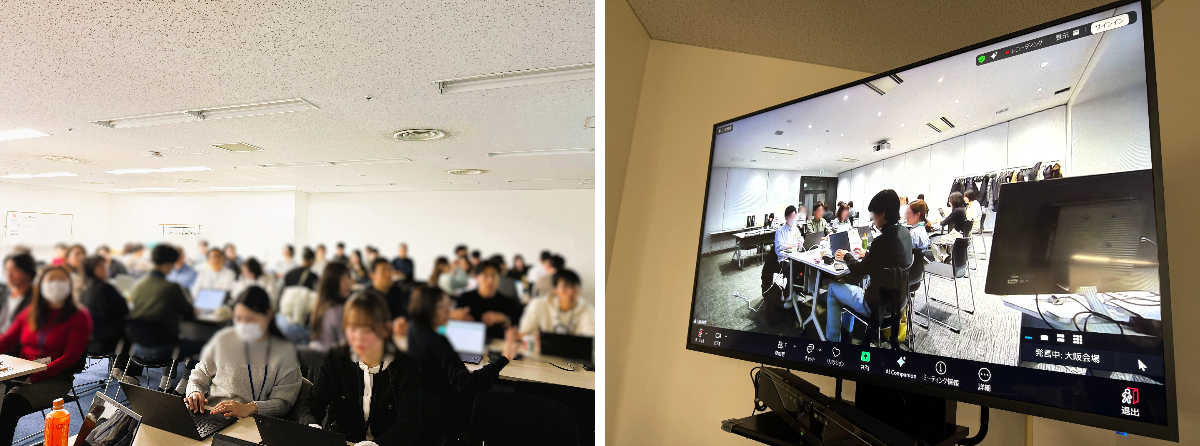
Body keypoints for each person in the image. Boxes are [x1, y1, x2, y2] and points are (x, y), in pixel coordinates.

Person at [299, 293, 421, 446]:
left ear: (385, 329)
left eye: (367, 329)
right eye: (352, 328)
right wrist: (311, 427)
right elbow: (312, 404)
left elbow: (410, 424)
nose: (357, 337)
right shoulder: (336, 358)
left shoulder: (405, 366)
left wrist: (377, 444)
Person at [407, 285, 518, 440]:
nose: (447, 311)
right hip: (448, 411)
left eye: (448, 306)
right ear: (428, 309)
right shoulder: (440, 341)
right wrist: (505, 358)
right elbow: (466, 385)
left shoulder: (414, 328)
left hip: (424, 407)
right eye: (442, 307)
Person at [0, 265, 92, 443]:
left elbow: (72, 355)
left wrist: (39, 374)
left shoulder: (78, 316)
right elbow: (8, 339)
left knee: (9, 405)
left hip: (55, 379)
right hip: (21, 373)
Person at [185, 287, 302, 419]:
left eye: (250, 319)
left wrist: (250, 408)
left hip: (254, 423)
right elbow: (197, 379)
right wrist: (194, 393)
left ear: (268, 316)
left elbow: (283, 404)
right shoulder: (223, 340)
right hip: (214, 415)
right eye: (238, 318)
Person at [827, 189, 913, 343]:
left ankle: (832, 340)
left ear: (883, 214)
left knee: (833, 288)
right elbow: (886, 260)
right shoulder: (905, 233)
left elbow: (859, 271)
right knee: (852, 283)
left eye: (874, 214)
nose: (873, 220)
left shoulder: (882, 241)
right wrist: (866, 255)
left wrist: (846, 255)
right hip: (898, 302)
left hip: (876, 305)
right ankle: (848, 330)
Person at [128, 245, 203, 359]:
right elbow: (189, 313)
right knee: (205, 344)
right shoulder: (171, 287)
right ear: (169, 263)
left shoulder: (137, 284)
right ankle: (189, 376)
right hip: (165, 346)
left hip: (139, 345)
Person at [453, 262, 520, 340]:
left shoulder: (507, 302)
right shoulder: (465, 298)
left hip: (498, 346)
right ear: (477, 278)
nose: (490, 280)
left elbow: (516, 327)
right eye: (486, 276)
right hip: (469, 342)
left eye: (494, 276)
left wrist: (504, 319)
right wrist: (454, 317)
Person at [518, 269, 595, 337]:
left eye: (574, 286)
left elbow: (593, 337)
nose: (570, 291)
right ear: (554, 289)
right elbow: (524, 333)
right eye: (565, 286)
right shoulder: (538, 305)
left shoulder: (587, 309)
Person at [80, 255, 127, 355]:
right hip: (108, 337)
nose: (106, 269)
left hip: (91, 337)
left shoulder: (84, 290)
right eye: (102, 266)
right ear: (95, 270)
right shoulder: (105, 288)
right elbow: (124, 309)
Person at [360, 259, 410, 341]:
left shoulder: (397, 291)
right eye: (383, 271)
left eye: (390, 270)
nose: (388, 274)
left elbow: (403, 314)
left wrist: (401, 321)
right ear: (372, 276)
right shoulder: (365, 296)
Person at [310, 262, 354, 352]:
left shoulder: (321, 306)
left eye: (348, 277)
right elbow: (345, 343)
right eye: (342, 279)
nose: (348, 283)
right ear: (332, 282)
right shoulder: (336, 310)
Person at [0, 253, 35, 335]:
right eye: (6, 270)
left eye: (13, 270)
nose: (8, 274)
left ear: (28, 272)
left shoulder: (35, 299)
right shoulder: (2, 294)